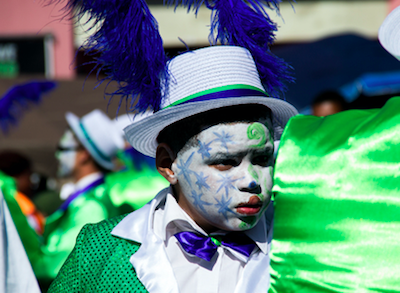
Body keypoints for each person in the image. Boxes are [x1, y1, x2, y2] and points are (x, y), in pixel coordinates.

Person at [48, 44, 298, 292]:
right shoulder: (100, 250)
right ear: (168, 164)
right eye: (225, 162)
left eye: (263, 159)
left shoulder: (306, 247)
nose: (251, 180)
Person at [34, 109, 124, 288]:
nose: (58, 155)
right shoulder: (90, 199)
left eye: (63, 148)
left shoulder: (92, 206)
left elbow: (60, 267)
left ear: (84, 154)